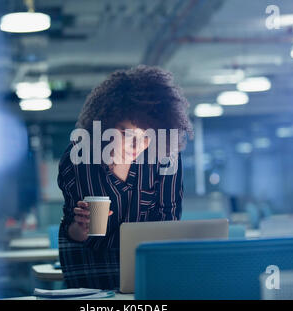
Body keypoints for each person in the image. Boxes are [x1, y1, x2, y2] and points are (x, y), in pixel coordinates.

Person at [57, 65, 193, 289]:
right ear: (104, 122)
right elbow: (74, 231)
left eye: (146, 137)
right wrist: (80, 228)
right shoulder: (79, 157)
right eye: (125, 133)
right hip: (90, 274)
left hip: (146, 269)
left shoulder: (166, 159)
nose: (136, 145)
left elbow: (169, 225)